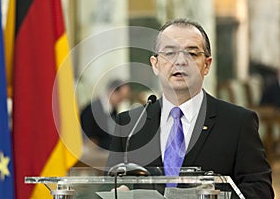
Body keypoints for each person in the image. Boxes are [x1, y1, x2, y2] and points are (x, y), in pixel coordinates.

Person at [106, 18, 274, 198]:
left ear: (206, 65)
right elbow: (111, 184)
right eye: (170, 53)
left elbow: (260, 190)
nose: (180, 61)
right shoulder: (129, 125)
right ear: (155, 64)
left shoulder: (238, 123)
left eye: (192, 54)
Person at [80, 79, 130, 150]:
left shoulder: (113, 110)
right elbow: (89, 138)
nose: (121, 101)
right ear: (112, 91)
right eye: (121, 96)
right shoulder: (92, 109)